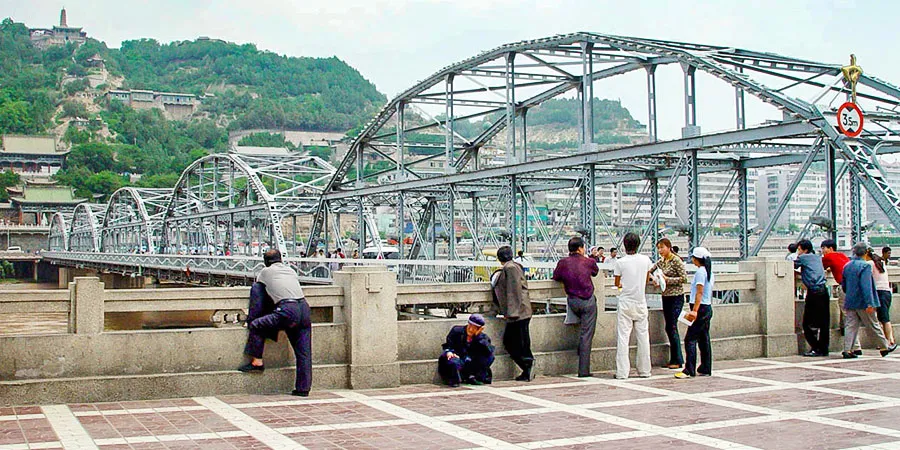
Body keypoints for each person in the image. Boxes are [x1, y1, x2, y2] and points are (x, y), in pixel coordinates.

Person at [239, 250, 312, 397]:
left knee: (257, 324)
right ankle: (303, 389)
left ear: (265, 261)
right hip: (304, 308)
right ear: (281, 259)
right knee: (304, 354)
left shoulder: (266, 272)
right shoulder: (290, 270)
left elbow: (259, 289)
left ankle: (257, 362)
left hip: (287, 310)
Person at [553, 236, 600, 377]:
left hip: (573, 301)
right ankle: (583, 370)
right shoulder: (588, 261)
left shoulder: (563, 263)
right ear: (580, 248)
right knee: (586, 335)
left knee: (582, 333)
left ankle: (580, 349)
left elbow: (556, 277)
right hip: (588, 301)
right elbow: (595, 272)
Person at [840, 243, 897, 359]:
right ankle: (884, 346)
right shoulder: (865, 266)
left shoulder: (847, 266)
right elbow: (866, 286)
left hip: (850, 301)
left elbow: (844, 285)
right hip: (863, 302)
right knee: (873, 324)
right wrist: (870, 303)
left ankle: (847, 349)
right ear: (865, 252)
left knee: (850, 326)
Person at [613, 232, 653, 379]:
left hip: (625, 302)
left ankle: (622, 372)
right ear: (638, 244)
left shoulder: (620, 262)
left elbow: (617, 283)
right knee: (643, 337)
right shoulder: (645, 260)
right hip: (640, 302)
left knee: (623, 338)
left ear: (624, 245)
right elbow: (647, 278)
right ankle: (645, 371)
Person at [492, 245, 534, 382]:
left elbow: (513, 291)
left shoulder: (509, 268)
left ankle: (528, 365)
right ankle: (527, 367)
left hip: (517, 313)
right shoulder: (515, 266)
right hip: (522, 312)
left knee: (511, 342)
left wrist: (511, 312)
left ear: (499, 258)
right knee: (521, 341)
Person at [675, 247, 715, 379]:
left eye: (693, 258)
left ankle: (689, 369)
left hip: (700, 308)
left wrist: (694, 311)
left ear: (697, 259)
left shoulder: (700, 272)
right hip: (707, 307)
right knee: (704, 339)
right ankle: (705, 367)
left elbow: (699, 292)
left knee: (690, 339)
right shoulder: (709, 271)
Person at [651, 238, 688, 369]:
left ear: (668, 247)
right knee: (669, 326)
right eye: (659, 248)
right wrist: (654, 279)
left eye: (662, 248)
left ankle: (677, 359)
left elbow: (684, 278)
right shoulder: (661, 262)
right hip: (666, 296)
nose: (660, 251)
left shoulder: (676, 260)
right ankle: (674, 358)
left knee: (672, 326)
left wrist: (668, 280)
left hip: (676, 296)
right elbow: (650, 270)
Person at [822, 239, 858, 355]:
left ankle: (850, 348)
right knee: (854, 317)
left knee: (848, 316)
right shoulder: (842, 255)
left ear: (830, 248)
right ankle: (856, 346)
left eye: (824, 248)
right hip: (854, 287)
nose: (823, 251)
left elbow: (820, 267)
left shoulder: (828, 257)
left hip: (844, 287)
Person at [795, 239, 830, 357]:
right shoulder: (817, 257)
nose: (798, 252)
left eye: (799, 249)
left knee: (807, 323)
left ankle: (815, 348)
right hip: (824, 291)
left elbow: (791, 265)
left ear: (805, 250)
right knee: (824, 323)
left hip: (814, 292)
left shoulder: (803, 258)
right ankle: (824, 349)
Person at [438, 314, 495, 387]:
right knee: (452, 361)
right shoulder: (457, 331)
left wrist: (477, 337)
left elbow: (489, 351)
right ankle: (455, 379)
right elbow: (448, 345)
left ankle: (472, 376)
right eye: (470, 326)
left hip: (471, 362)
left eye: (474, 328)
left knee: (489, 357)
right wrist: (450, 352)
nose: (471, 329)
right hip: (458, 358)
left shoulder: (482, 338)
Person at [866, 247, 894, 346]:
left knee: (879, 319)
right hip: (887, 292)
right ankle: (890, 339)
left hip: (878, 292)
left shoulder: (870, 264)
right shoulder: (881, 263)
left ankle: (885, 342)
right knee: (885, 318)